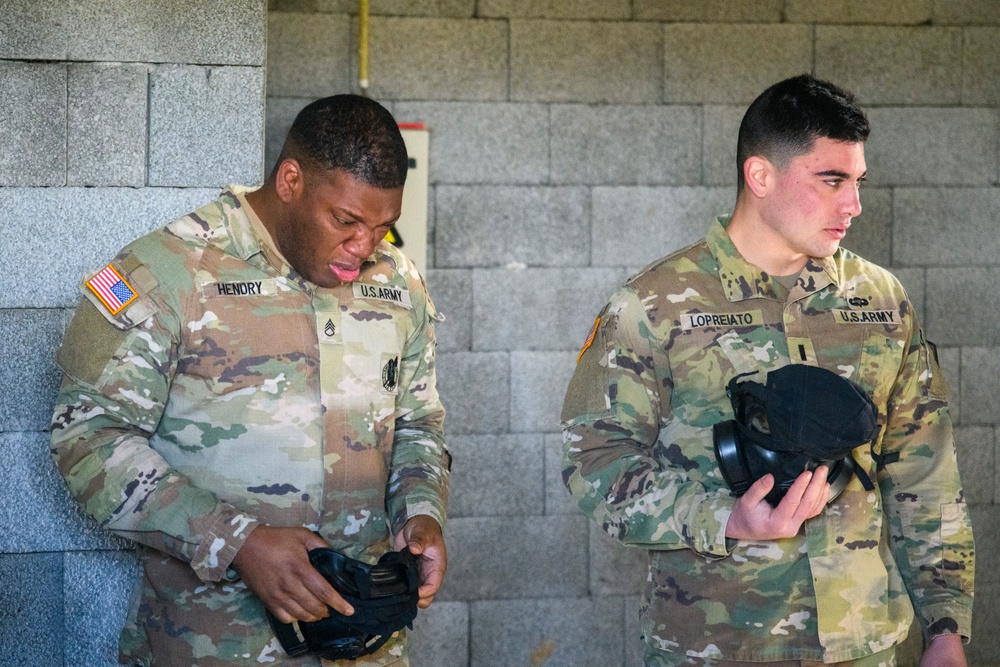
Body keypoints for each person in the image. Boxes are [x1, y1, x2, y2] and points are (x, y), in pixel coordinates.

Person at [561, 74, 974, 666]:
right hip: (717, 647)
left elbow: (925, 471)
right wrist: (725, 518)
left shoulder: (882, 301)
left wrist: (945, 627)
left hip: (866, 647)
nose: (853, 205)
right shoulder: (653, 305)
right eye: (831, 181)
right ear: (761, 176)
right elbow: (593, 463)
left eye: (857, 182)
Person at [50, 94, 451, 667]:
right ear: (290, 180)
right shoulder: (171, 271)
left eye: (384, 227)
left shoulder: (396, 282)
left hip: (363, 644)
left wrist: (422, 516)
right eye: (346, 221)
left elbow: (418, 421)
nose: (363, 248)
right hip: (214, 645)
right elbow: (86, 438)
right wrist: (237, 541)